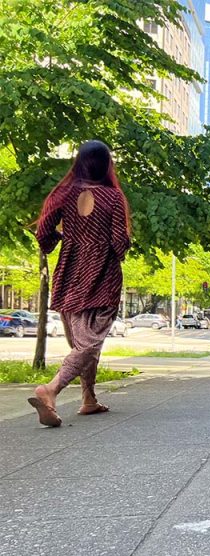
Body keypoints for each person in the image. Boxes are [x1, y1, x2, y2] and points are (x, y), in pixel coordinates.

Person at [28, 140, 131, 427]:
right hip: (102, 276)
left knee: (81, 343)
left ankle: (88, 400)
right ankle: (51, 390)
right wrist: (118, 248)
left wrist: (65, 241)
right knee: (89, 342)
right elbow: (119, 242)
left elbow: (43, 233)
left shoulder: (62, 193)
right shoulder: (113, 198)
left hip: (69, 273)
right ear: (107, 165)